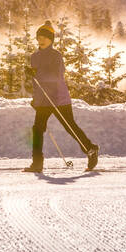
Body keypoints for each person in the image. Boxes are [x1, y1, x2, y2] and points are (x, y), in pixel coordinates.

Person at [24, 21, 99, 173]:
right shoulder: (34, 56)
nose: (41, 39)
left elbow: (55, 76)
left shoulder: (56, 56)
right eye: (39, 37)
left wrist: (36, 74)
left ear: (51, 39)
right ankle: (37, 163)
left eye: (45, 37)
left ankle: (91, 149)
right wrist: (35, 98)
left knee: (70, 127)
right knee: (37, 130)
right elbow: (35, 82)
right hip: (44, 100)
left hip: (58, 98)